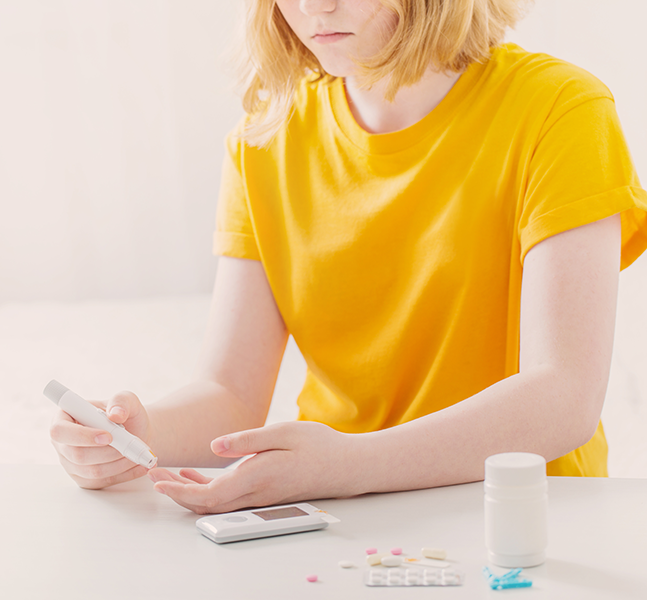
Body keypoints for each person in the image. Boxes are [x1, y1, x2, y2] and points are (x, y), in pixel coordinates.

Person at [49, 0, 647, 514]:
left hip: (527, 513)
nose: (314, 4)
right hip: (340, 515)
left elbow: (562, 396)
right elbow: (230, 390)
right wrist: (139, 432)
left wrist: (350, 465)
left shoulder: (561, 110)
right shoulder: (263, 137)